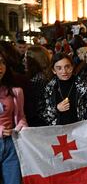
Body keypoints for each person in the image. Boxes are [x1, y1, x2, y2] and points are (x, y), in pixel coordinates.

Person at [42, 53, 87, 125]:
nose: (64, 71)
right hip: (58, 131)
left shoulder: (82, 85)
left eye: (67, 67)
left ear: (72, 67)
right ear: (54, 70)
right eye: (59, 68)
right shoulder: (49, 88)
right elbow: (43, 114)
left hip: (80, 129)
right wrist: (56, 109)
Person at [0, 46, 27, 184]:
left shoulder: (15, 91)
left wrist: (18, 128)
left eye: (2, 62)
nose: (0, 67)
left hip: (11, 144)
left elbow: (21, 117)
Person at [24, 46, 52, 126]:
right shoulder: (44, 75)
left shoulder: (39, 79)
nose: (24, 61)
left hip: (38, 123)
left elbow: (36, 106)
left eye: (26, 58)